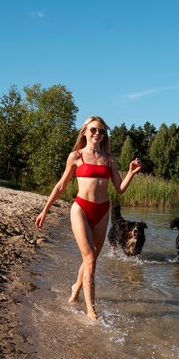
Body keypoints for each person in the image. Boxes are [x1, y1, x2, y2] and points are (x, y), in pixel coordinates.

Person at [35, 116, 142, 319]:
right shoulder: (75, 156)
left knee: (90, 260)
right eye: (93, 130)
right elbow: (60, 186)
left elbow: (119, 189)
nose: (97, 134)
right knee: (90, 258)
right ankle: (91, 311)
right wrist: (44, 210)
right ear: (84, 131)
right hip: (81, 209)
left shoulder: (109, 159)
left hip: (102, 211)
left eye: (101, 131)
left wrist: (131, 173)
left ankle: (76, 288)